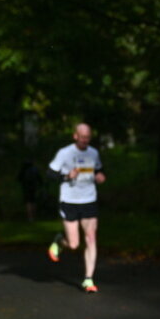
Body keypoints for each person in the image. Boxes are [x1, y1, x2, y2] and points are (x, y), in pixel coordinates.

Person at [46, 123, 105, 293]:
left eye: (88, 137)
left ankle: (88, 279)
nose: (86, 140)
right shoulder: (65, 153)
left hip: (89, 200)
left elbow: (99, 169)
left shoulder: (93, 153)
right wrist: (66, 176)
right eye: (82, 137)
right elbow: (50, 173)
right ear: (75, 136)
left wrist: (100, 175)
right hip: (69, 201)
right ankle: (60, 241)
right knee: (73, 244)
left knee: (91, 237)